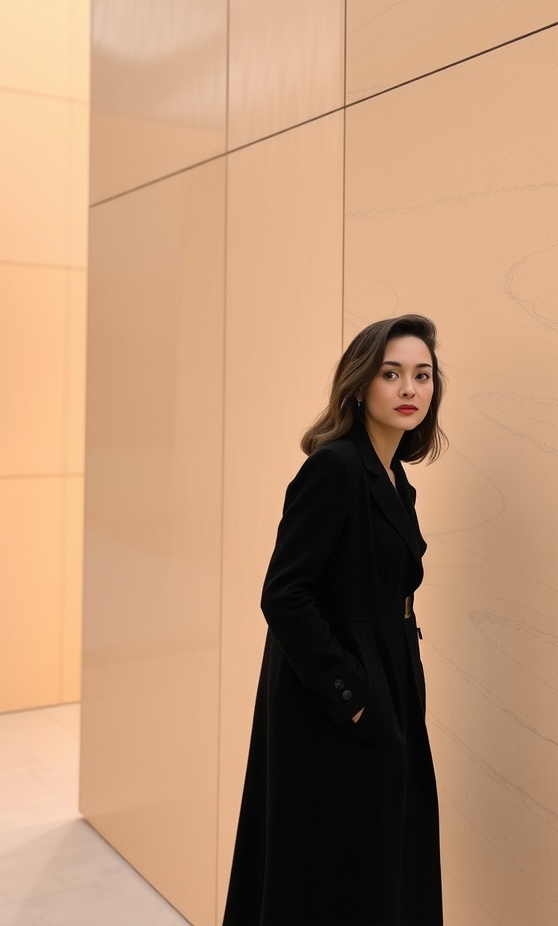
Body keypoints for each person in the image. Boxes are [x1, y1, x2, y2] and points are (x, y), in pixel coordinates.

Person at [223, 314, 447, 926]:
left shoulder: (395, 477)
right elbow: (285, 593)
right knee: (337, 863)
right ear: (359, 385)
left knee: (385, 852)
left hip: (389, 676)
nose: (409, 389)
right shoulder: (336, 467)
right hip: (336, 691)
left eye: (422, 376)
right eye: (391, 373)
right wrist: (352, 695)